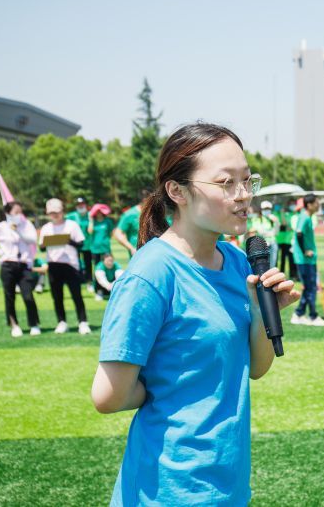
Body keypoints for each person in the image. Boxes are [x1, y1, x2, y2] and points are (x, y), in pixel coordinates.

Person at [90, 123, 299, 506]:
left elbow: (255, 367)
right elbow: (107, 395)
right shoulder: (150, 274)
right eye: (225, 183)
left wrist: (260, 311)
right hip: (168, 489)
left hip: (227, 484)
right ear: (177, 191)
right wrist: (165, 386)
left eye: (247, 181)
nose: (242, 196)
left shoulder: (238, 261)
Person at [0, 201, 41, 337]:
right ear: (8, 213)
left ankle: (34, 323)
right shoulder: (0, 227)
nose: (19, 215)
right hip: (7, 265)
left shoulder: (26, 225)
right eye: (16, 212)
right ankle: (14, 324)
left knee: (28, 296)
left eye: (20, 212)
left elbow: (33, 240)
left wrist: (18, 231)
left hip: (24, 265)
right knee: (9, 296)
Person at [39, 198, 91, 335]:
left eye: (57, 212)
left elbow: (81, 244)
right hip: (53, 265)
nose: (54, 215)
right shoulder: (46, 228)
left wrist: (69, 241)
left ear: (62, 211)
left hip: (71, 265)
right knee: (57, 297)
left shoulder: (72, 225)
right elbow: (42, 249)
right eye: (51, 213)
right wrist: (44, 244)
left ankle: (83, 322)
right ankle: (61, 322)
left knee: (76, 295)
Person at [290, 193, 324, 326]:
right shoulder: (304, 217)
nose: (318, 205)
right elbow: (299, 233)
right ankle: (312, 315)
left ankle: (299, 314)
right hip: (304, 259)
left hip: (307, 259)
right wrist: (305, 250)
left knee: (309, 287)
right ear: (310, 205)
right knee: (310, 287)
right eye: (317, 203)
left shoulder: (308, 217)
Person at [65, 196, 93, 289]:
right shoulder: (72, 215)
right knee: (75, 262)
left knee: (88, 264)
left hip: (87, 244)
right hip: (75, 243)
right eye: (78, 204)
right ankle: (78, 280)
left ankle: (89, 282)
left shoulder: (90, 215)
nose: (80, 206)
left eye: (82, 204)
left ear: (85, 205)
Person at [114, 189, 149, 257]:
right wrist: (131, 248)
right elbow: (118, 233)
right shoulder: (130, 214)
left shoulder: (155, 213)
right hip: (138, 255)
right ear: (145, 200)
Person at [247, 200, 279, 268]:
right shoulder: (257, 219)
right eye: (265, 209)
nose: (266, 210)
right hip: (261, 245)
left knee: (272, 265)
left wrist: (276, 222)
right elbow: (259, 231)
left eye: (268, 209)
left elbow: (276, 232)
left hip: (272, 243)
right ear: (261, 209)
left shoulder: (273, 218)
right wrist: (270, 233)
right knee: (262, 265)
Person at [88, 204, 114, 270]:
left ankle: (108, 278)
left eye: (100, 211)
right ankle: (97, 280)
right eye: (97, 211)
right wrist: (91, 221)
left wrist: (106, 240)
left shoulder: (108, 221)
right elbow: (90, 232)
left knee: (108, 263)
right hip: (95, 248)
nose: (99, 213)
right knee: (97, 265)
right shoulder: (93, 222)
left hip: (105, 247)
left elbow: (111, 233)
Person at [275, 202, 297, 280]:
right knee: (278, 259)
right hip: (278, 240)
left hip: (288, 240)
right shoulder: (275, 214)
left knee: (290, 259)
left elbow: (287, 225)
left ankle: (293, 275)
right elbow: (282, 225)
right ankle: (278, 274)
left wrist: (283, 214)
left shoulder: (290, 215)